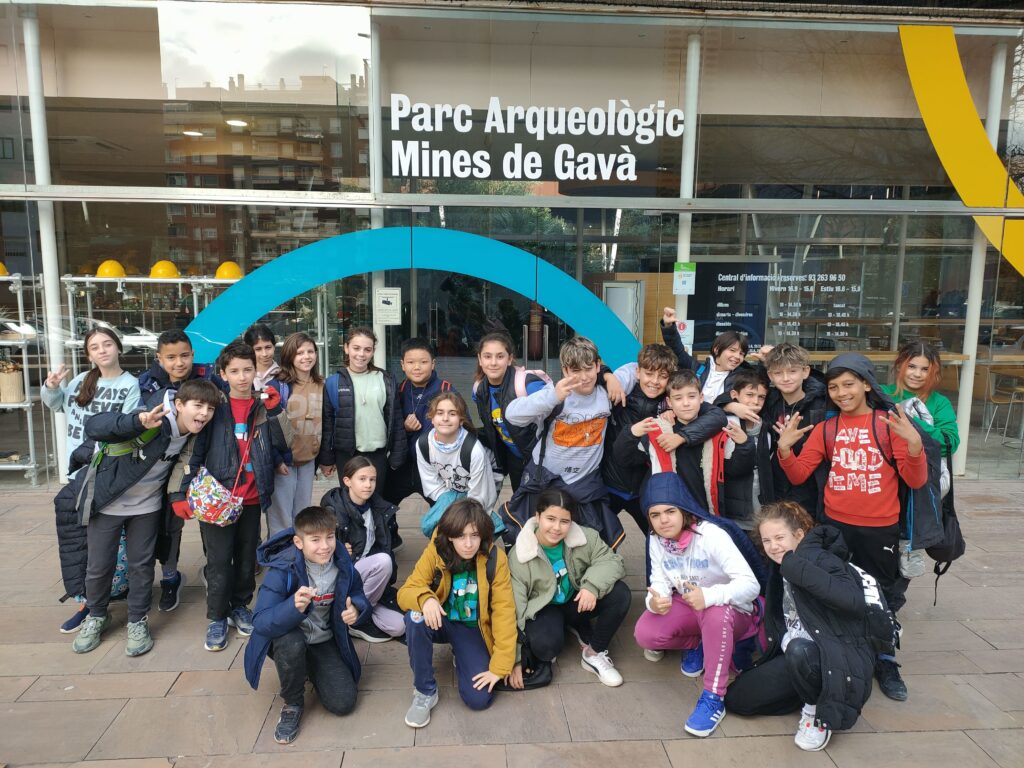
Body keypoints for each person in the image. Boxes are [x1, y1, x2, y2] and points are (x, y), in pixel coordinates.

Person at [774, 352, 927, 702]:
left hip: (880, 529)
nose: (841, 393)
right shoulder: (827, 429)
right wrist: (784, 449)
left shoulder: (889, 424)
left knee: (880, 596)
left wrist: (914, 444)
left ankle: (885, 660)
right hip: (835, 527)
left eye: (849, 385)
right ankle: (843, 651)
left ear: (866, 385)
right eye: (834, 387)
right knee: (837, 591)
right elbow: (798, 474)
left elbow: (915, 480)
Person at [70, 379, 220, 656]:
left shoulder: (196, 435)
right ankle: (96, 615)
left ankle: (137, 620)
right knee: (99, 565)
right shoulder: (153, 416)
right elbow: (95, 425)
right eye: (198, 406)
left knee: (141, 566)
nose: (204, 414)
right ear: (179, 405)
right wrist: (138, 421)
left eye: (210, 409)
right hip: (109, 502)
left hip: (147, 507)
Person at [725, 501, 880, 753]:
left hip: (835, 656)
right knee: (737, 700)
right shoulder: (779, 566)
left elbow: (853, 601)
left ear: (799, 535)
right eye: (767, 540)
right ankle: (812, 691)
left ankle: (815, 710)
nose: (773, 546)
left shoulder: (821, 559)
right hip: (799, 657)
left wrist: (796, 567)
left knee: (798, 649)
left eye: (780, 538)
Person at [633, 472, 761, 738]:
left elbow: (751, 585)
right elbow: (659, 582)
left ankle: (714, 697)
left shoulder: (711, 535)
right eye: (655, 515)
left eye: (670, 511)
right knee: (646, 633)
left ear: (684, 509)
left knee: (716, 614)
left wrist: (710, 596)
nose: (663, 520)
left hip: (730, 610)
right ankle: (702, 644)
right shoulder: (656, 540)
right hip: (690, 604)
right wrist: (655, 602)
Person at [186, 341, 291, 652]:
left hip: (252, 496)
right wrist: (182, 491)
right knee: (219, 560)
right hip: (219, 497)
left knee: (247, 558)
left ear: (256, 371)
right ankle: (217, 616)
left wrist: (276, 410)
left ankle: (240, 606)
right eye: (234, 371)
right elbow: (194, 451)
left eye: (248, 370)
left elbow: (285, 441)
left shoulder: (263, 404)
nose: (242, 377)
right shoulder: (215, 408)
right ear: (223, 374)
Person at [243, 505, 371, 745]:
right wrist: (292, 607)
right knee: (291, 644)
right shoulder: (283, 569)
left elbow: (359, 595)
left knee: (343, 703)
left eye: (330, 537)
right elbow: (260, 621)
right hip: (288, 637)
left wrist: (357, 609)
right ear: (299, 542)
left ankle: (308, 666)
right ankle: (292, 703)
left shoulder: (343, 565)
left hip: (323, 640)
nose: (325, 546)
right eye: (315, 540)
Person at [44, 326, 141, 634]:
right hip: (78, 473)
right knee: (79, 541)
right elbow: (57, 405)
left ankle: (108, 597)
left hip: (106, 474)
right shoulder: (80, 381)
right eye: (95, 347)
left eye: (107, 344)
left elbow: (127, 428)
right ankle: (87, 603)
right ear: (89, 354)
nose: (102, 350)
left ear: (118, 347)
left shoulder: (130, 384)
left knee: (110, 543)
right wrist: (51, 387)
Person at [397, 498, 517, 728]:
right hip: (440, 620)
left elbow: (504, 611)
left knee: (478, 699)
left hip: (472, 628)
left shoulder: (495, 558)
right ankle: (425, 691)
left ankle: (462, 654)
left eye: (474, 535)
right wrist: (425, 599)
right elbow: (406, 591)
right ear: (450, 535)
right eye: (461, 536)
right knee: (414, 617)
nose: (468, 544)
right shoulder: (436, 550)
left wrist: (500, 667)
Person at [503, 336, 631, 548]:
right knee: (542, 538)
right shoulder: (553, 394)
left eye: (589, 369)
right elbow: (512, 414)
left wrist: (610, 376)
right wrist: (553, 397)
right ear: (565, 370)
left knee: (587, 543)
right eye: (576, 370)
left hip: (584, 483)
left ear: (597, 365)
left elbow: (634, 369)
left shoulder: (605, 392)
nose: (584, 377)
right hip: (547, 480)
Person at [506, 488, 630, 689]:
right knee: (546, 648)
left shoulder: (586, 537)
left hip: (576, 600)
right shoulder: (520, 554)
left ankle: (593, 653)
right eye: (550, 519)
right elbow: (514, 608)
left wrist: (591, 586)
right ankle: (568, 628)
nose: (557, 528)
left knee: (620, 594)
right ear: (537, 517)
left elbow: (612, 561)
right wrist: (515, 659)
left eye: (564, 521)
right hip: (545, 608)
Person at [136, 328, 221, 613]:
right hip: (158, 468)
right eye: (171, 357)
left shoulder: (209, 379)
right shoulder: (147, 384)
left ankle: (214, 571)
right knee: (165, 526)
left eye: (184, 355)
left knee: (209, 522)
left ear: (193, 354)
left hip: (201, 466)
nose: (179, 362)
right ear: (159, 358)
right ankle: (170, 576)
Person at [612, 369, 728, 515]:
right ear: (669, 402)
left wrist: (744, 445)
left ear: (701, 398)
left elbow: (737, 469)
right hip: (666, 515)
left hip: (704, 513)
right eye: (678, 398)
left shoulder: (716, 432)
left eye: (691, 396)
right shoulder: (658, 431)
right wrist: (630, 433)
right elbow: (624, 459)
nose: (686, 403)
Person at [320, 457, 405, 643]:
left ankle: (357, 614)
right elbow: (317, 551)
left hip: (367, 582)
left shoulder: (378, 508)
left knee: (400, 626)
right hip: (344, 577)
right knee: (383, 561)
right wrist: (337, 549)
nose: (368, 485)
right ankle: (356, 616)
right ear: (347, 481)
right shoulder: (333, 509)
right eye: (362, 479)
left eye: (372, 479)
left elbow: (382, 545)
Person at [602, 343, 678, 534]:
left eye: (662, 376)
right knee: (600, 541)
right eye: (649, 374)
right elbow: (589, 374)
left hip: (645, 490)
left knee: (659, 542)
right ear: (637, 372)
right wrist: (607, 375)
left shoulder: (672, 405)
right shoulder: (620, 392)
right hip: (609, 484)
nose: (654, 381)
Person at [470, 332, 548, 493]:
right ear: (480, 359)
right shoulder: (479, 389)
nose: (493, 363)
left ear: (509, 359)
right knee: (521, 502)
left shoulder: (527, 385)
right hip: (514, 457)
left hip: (542, 459)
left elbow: (559, 404)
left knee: (545, 504)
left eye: (500, 356)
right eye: (487, 356)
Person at [384, 338, 457, 507]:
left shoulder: (446, 390)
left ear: (433, 364)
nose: (417, 367)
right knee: (383, 505)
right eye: (411, 362)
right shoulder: (398, 390)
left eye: (423, 362)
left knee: (446, 510)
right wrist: (404, 428)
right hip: (402, 464)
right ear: (402, 365)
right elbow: (386, 428)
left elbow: (462, 427)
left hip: (435, 468)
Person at [761, 343, 830, 520]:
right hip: (776, 486)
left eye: (792, 371)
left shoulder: (822, 403)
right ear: (770, 376)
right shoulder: (768, 401)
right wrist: (731, 405)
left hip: (812, 488)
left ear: (805, 372)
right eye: (778, 373)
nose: (786, 378)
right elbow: (738, 390)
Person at [265, 332, 324, 536]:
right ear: (289, 355)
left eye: (310, 351)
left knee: (302, 514)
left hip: (308, 461)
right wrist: (276, 459)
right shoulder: (276, 386)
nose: (306, 357)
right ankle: (280, 553)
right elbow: (267, 427)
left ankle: (298, 551)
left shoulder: (321, 384)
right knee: (281, 518)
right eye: (300, 353)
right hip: (284, 463)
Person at [660, 307, 770, 405]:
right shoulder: (698, 369)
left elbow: (761, 385)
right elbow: (677, 351)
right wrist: (669, 327)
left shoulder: (743, 376)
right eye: (732, 350)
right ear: (716, 349)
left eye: (741, 353)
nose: (737, 356)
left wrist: (765, 363)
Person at [415, 392, 498, 510]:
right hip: (447, 495)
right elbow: (431, 484)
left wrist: (463, 513)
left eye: (452, 414)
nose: (445, 418)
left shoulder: (474, 450)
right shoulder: (423, 444)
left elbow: (480, 495)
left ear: (461, 420)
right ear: (432, 418)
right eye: (440, 413)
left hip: (476, 499)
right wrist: (448, 505)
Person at [881, 341, 959, 456]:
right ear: (899, 365)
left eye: (925, 369)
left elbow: (950, 444)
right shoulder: (882, 393)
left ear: (934, 372)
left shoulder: (940, 402)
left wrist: (912, 421)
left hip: (922, 465)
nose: (917, 374)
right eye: (911, 366)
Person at [719, 368, 772, 536]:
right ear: (734, 395)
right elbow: (732, 469)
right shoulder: (727, 424)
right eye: (749, 395)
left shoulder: (766, 428)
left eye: (761, 397)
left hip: (762, 511)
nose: (755, 401)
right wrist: (744, 444)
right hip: (735, 513)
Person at [244, 323, 279, 391]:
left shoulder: (284, 375)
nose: (264, 354)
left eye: (268, 347)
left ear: (274, 347)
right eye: (258, 349)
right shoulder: (242, 376)